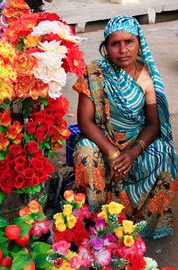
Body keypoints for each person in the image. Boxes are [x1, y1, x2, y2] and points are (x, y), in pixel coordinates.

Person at [73, 15, 178, 239]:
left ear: (139, 43)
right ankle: (97, 220)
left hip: (136, 143)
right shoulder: (95, 73)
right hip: (102, 141)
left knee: (166, 154)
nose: (123, 50)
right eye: (115, 44)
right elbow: (85, 121)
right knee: (85, 152)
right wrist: (112, 152)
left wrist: (132, 153)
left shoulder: (148, 77)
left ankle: (143, 223)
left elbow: (153, 124)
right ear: (106, 47)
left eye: (128, 42)